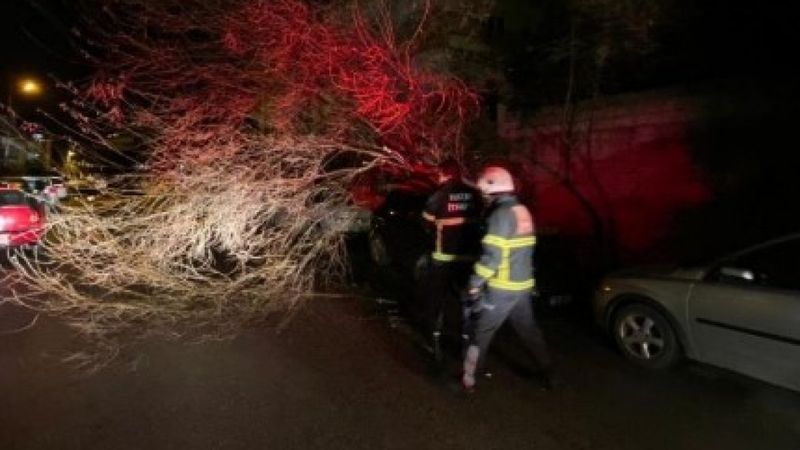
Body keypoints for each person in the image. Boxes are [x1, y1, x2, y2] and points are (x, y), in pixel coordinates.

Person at [461, 165, 554, 392]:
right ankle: (549, 373)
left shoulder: (499, 216)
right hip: (522, 287)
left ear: (490, 191)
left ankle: (468, 382)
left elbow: (491, 258)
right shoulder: (522, 210)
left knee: (480, 333)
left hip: (501, 289)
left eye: (483, 192)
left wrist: (474, 285)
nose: (482, 196)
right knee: (529, 331)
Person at [421, 159, 483, 365]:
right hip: (468, 259)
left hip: (443, 259)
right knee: (464, 302)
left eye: (439, 174)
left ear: (444, 174)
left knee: (435, 301)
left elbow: (427, 222)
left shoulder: (439, 195)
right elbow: (481, 218)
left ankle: (434, 341)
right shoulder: (474, 194)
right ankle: (465, 343)